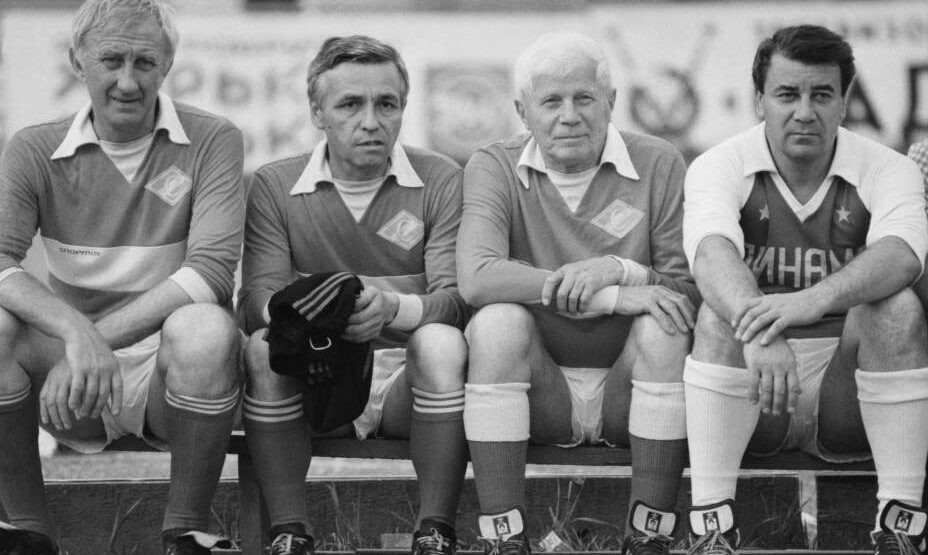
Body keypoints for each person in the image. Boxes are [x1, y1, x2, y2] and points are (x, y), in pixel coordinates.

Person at [0, 1, 245, 554]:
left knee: (206, 327)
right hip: (73, 387)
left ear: (168, 64)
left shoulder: (213, 138)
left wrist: (93, 341)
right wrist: (76, 335)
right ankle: (28, 532)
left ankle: (186, 531)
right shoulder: (33, 148)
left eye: (145, 62)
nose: (129, 82)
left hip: (170, 378)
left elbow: (210, 272)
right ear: (77, 61)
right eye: (112, 60)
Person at [682, 25, 928, 555]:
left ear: (845, 99)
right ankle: (712, 530)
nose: (804, 112)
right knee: (716, 315)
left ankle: (900, 527)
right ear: (759, 101)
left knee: (896, 306)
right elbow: (710, 255)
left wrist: (809, 301)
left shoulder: (888, 167)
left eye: (821, 94)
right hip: (755, 384)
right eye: (787, 94)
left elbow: (903, 255)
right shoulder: (719, 164)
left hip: (849, 384)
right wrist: (762, 328)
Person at [456, 32, 699, 555]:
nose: (569, 116)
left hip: (629, 385)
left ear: (610, 101)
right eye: (551, 101)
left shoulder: (659, 161)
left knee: (665, 323)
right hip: (540, 387)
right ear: (523, 112)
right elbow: (477, 278)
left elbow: (686, 293)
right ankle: (504, 538)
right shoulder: (493, 165)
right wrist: (612, 297)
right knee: (496, 322)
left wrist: (620, 270)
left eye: (584, 98)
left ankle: (649, 536)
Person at [238, 35, 469, 555]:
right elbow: (254, 301)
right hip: (321, 376)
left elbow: (457, 301)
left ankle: (435, 532)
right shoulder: (275, 184)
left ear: (404, 107)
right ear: (317, 112)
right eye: (349, 105)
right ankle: (290, 534)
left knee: (441, 342)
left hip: (410, 380)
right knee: (261, 347)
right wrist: (314, 316)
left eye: (386, 104)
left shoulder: (441, 178)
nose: (371, 121)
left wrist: (393, 309)